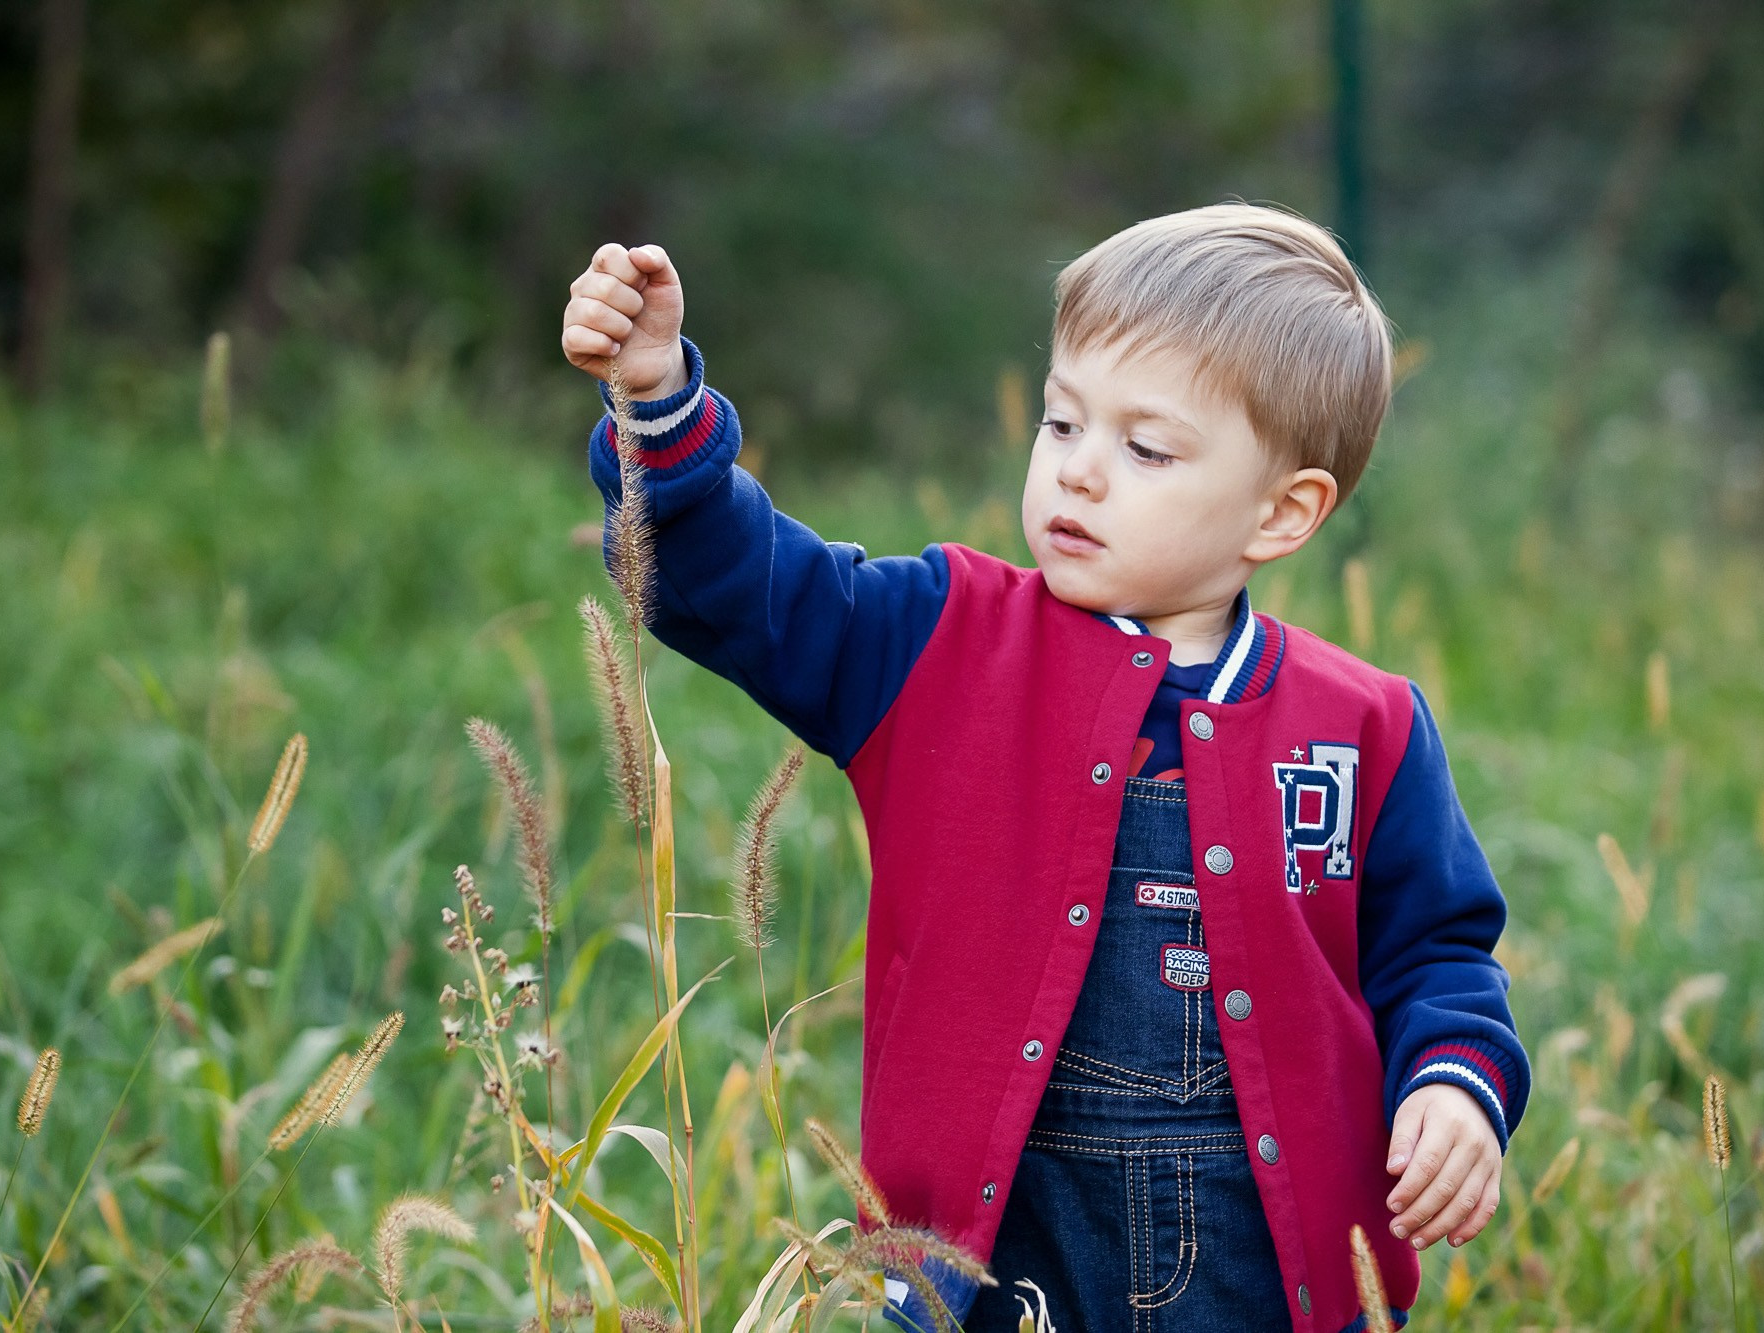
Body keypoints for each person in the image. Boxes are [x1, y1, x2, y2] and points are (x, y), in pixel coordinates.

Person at [559, 203, 1528, 1333]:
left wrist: (1456, 1085)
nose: (1079, 474)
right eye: (1062, 424)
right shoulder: (933, 641)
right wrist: (656, 398)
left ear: (1282, 510)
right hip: (1000, 1275)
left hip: (1271, 1286)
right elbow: (731, 586)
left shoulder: (1364, 728)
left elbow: (1437, 955)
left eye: (1145, 448)